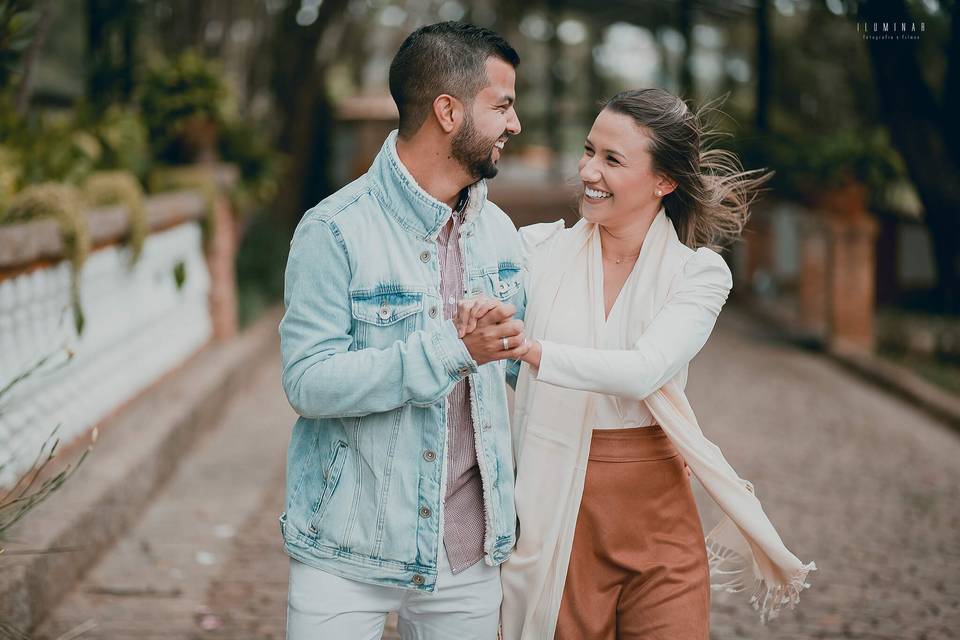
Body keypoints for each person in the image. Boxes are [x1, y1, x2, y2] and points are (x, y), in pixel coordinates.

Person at [457, 88, 816, 639]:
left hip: (659, 522)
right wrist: (486, 314)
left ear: (663, 181)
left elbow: (644, 368)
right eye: (589, 150)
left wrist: (533, 350)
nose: (587, 170)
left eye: (611, 159)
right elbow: (485, 313)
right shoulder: (537, 251)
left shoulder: (698, 275)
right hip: (558, 514)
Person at [277, 22, 530, 639]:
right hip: (345, 548)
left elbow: (532, 368)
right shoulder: (333, 230)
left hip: (468, 549)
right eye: (502, 105)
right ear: (448, 111)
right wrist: (449, 349)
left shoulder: (499, 236)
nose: (514, 124)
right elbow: (307, 382)